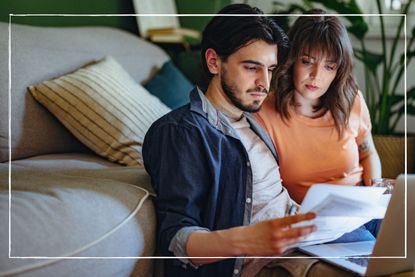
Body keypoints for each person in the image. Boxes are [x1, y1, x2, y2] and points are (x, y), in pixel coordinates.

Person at [143, 4, 317, 277]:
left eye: (270, 69)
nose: (264, 83)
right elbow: (175, 237)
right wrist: (248, 239)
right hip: (267, 264)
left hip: (304, 244)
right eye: (252, 68)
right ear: (214, 62)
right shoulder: (182, 131)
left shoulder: (251, 122)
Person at [254, 10, 382, 204]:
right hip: (307, 221)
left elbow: (368, 153)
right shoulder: (264, 113)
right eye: (307, 61)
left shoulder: (351, 100)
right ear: (291, 59)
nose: (316, 75)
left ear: (338, 70)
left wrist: (375, 194)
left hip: (362, 209)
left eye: (329, 67)